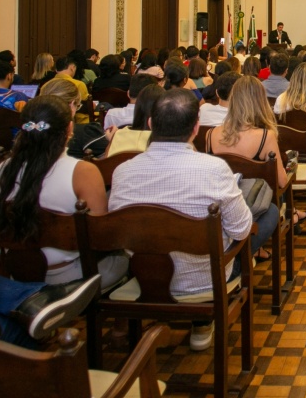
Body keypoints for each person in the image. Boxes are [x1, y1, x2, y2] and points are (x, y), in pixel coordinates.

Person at [108, 88, 254, 351]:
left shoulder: (123, 171)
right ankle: (201, 321)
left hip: (145, 279)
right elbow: (242, 229)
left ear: (151, 123)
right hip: (206, 280)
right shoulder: (214, 169)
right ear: (196, 128)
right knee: (262, 222)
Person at [0, 96, 127, 290]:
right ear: (70, 129)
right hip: (73, 276)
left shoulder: (2, 171)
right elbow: (100, 237)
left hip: (16, 274)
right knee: (128, 257)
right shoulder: (81, 172)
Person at [204, 76, 282, 261]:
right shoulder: (265, 136)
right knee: (272, 211)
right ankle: (241, 257)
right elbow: (281, 181)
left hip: (218, 208)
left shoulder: (211, 134)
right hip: (252, 204)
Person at [40, 78, 115, 159]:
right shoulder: (87, 133)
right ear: (72, 104)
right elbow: (112, 163)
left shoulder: (31, 132)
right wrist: (112, 141)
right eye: (78, 106)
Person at [105, 83, 165, 156]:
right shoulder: (166, 142)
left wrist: (112, 141)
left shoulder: (118, 135)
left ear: (137, 107)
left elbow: (107, 161)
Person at [53, 55, 89, 123]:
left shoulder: (46, 85)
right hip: (76, 123)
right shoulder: (78, 84)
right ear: (72, 68)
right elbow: (84, 109)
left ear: (56, 69)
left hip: (52, 121)